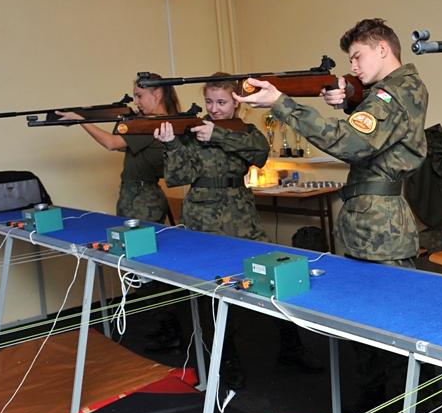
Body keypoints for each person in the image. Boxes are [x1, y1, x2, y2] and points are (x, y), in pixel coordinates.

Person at [236, 18, 434, 413]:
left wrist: (283, 103)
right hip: (367, 222)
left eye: (358, 56)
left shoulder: (396, 91)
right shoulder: (386, 93)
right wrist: (347, 102)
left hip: (382, 229)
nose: (354, 66)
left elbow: (351, 144)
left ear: (383, 49)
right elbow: (370, 132)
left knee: (398, 332)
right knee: (365, 325)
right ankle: (375, 408)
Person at [154, 74, 321, 388]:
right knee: (212, 295)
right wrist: (172, 145)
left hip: (243, 219)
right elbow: (178, 176)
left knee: (276, 280)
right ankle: (225, 361)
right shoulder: (191, 133)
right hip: (203, 222)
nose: (214, 109)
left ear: (236, 104)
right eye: (209, 102)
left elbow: (258, 153)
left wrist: (217, 134)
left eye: (221, 102)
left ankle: (291, 348)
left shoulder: (244, 132)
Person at [57, 77, 185, 351]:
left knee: (144, 267)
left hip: (141, 198)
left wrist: (81, 120)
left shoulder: (152, 125)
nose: (136, 101)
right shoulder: (155, 123)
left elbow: (112, 144)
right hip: (140, 195)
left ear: (158, 94)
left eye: (140, 95)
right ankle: (168, 326)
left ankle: (169, 329)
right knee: (144, 266)